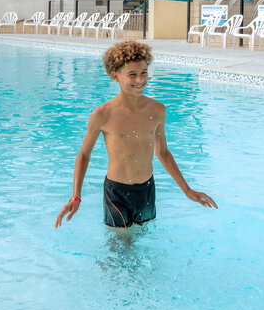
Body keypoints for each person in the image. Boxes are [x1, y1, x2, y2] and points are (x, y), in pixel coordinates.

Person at [55, 40, 216, 230]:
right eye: (132, 74)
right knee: (120, 245)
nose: (140, 80)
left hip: (147, 189)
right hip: (116, 192)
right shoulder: (102, 114)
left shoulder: (157, 110)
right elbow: (84, 154)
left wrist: (187, 190)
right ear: (115, 76)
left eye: (144, 73)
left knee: (143, 239)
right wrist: (76, 196)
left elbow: (163, 152)